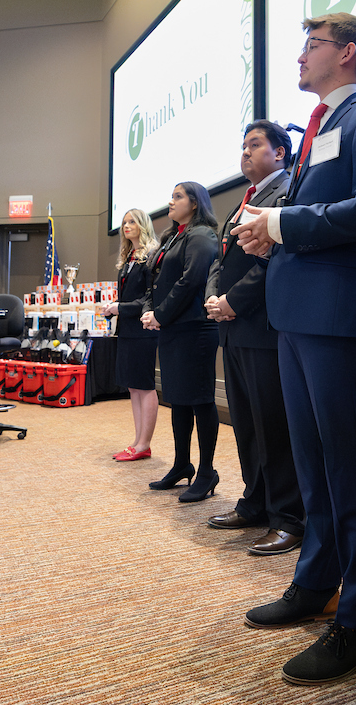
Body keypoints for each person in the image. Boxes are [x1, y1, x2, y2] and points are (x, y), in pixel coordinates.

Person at [233, 13, 356, 684]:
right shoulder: (314, 133)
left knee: (348, 469)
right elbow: (311, 222)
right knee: (312, 465)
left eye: (311, 46)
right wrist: (271, 236)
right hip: (295, 316)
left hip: (336, 317)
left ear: (347, 53)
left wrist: (280, 222)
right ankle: (317, 586)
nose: (299, 57)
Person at [203, 120, 304, 556]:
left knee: (273, 425)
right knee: (246, 423)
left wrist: (232, 302)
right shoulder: (242, 201)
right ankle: (255, 502)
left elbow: (272, 263)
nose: (245, 152)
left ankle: (289, 518)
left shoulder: (286, 196)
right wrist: (213, 298)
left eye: (255, 144)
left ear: (280, 152)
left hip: (262, 327)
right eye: (243, 145)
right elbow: (221, 260)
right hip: (234, 328)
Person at [140, 182, 220, 502]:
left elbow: (191, 282)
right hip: (174, 328)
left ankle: (207, 471)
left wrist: (160, 314)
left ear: (195, 204)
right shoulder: (172, 236)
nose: (170, 202)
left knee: (200, 400)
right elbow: (155, 280)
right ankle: (181, 465)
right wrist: (150, 311)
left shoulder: (202, 235)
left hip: (195, 329)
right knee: (178, 399)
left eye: (177, 197)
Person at [102, 209, 159, 462]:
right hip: (127, 329)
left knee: (144, 386)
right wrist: (113, 307)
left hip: (144, 329)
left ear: (143, 225)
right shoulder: (129, 258)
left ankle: (144, 443)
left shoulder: (152, 256)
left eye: (132, 221)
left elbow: (150, 297)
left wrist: (120, 308)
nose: (126, 226)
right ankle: (137, 442)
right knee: (133, 387)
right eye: (124, 222)